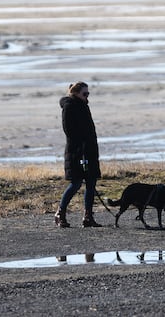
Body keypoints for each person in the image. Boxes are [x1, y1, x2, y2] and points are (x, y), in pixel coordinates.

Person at [54, 81, 102, 228]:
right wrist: (81, 149)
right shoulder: (69, 106)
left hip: (89, 151)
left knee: (91, 182)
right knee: (75, 183)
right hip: (76, 153)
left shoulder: (83, 105)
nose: (87, 96)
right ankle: (60, 213)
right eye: (85, 93)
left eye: (88, 94)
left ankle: (88, 216)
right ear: (75, 93)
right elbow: (69, 131)